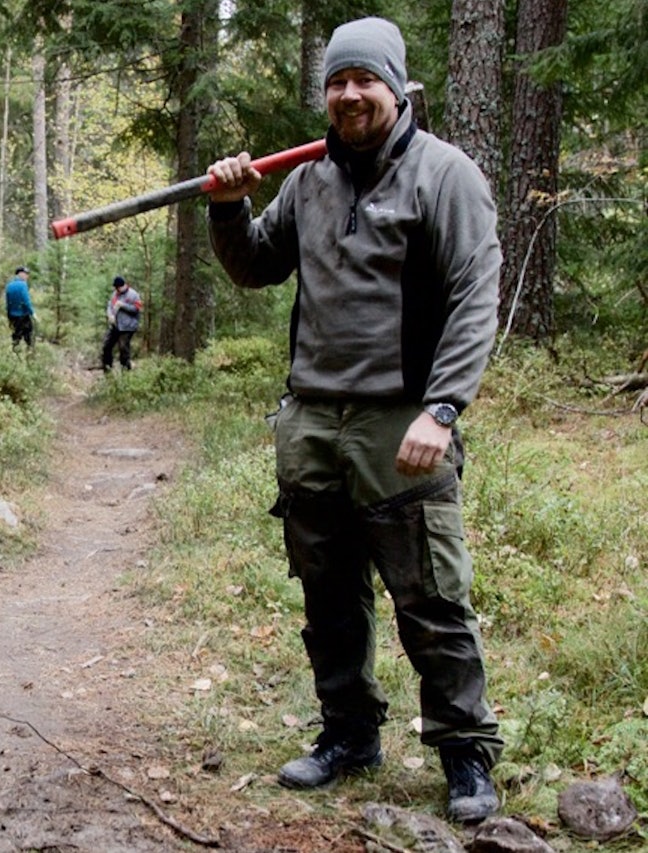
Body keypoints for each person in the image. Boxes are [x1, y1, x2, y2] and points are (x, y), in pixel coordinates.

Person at [204, 17, 503, 823]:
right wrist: (230, 210)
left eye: (364, 80)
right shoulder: (309, 179)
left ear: (397, 87)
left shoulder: (446, 175)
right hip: (311, 419)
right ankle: (348, 735)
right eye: (337, 82)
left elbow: (478, 295)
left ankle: (465, 753)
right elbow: (257, 266)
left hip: (402, 419)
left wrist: (442, 408)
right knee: (328, 592)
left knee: (432, 594)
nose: (348, 95)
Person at [101, 276, 141, 372]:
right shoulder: (115, 294)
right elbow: (110, 306)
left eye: (118, 288)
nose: (117, 290)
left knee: (123, 349)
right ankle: (107, 370)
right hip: (116, 326)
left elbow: (136, 309)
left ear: (123, 286)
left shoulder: (133, 295)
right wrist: (110, 315)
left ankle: (126, 373)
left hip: (128, 327)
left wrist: (123, 305)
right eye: (116, 288)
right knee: (106, 346)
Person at [4, 266, 35, 351]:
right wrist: (32, 313)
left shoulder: (9, 285)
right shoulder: (23, 285)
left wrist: (9, 315)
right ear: (20, 274)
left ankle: (15, 351)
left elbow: (8, 302)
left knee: (16, 334)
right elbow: (26, 301)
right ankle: (30, 353)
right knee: (29, 334)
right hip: (23, 315)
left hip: (12, 315)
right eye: (25, 274)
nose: (27, 276)